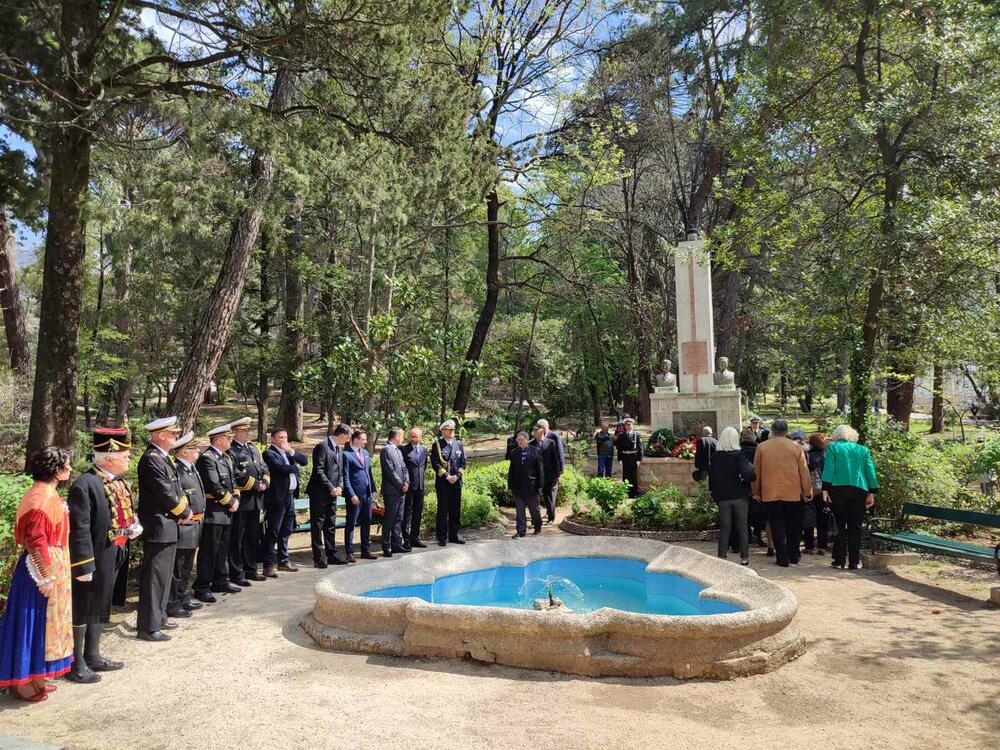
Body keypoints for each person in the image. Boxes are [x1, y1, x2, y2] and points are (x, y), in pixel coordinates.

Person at [0, 447, 74, 702]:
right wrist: (44, 575)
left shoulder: (45, 493)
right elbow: (36, 540)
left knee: (45, 624)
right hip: (40, 568)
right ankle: (21, 681)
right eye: (66, 465)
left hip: (53, 562)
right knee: (32, 622)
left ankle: (36, 675)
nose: (70, 469)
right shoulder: (41, 498)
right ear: (56, 469)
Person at [66, 428, 137, 684]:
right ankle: (76, 662)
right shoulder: (85, 484)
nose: (128, 460)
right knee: (84, 606)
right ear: (109, 458)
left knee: (100, 603)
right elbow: (80, 528)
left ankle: (93, 654)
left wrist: (132, 526)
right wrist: (84, 565)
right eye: (125, 457)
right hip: (94, 556)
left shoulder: (117, 481)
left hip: (114, 550)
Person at [136, 416, 192, 642]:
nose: (176, 436)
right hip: (158, 525)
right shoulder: (151, 459)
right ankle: (148, 627)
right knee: (154, 578)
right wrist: (183, 512)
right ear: (160, 435)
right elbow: (164, 492)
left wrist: (184, 510)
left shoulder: (163, 457)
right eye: (172, 433)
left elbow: (176, 488)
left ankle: (159, 618)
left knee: (164, 577)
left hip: (168, 524)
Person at [751, 419, 811, 567]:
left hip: (770, 492)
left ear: (772, 431)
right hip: (793, 492)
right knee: (793, 525)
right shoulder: (796, 447)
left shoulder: (762, 447)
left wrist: (755, 491)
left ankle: (782, 557)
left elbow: (756, 472)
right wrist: (807, 491)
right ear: (787, 431)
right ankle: (794, 556)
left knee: (777, 526)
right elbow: (804, 471)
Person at [193, 422, 242, 602]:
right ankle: (202, 586)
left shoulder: (225, 458)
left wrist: (236, 499)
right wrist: (230, 501)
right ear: (220, 440)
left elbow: (233, 482)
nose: (231, 441)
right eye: (228, 438)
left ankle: (220, 580)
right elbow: (214, 485)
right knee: (209, 551)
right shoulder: (207, 458)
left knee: (222, 549)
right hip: (214, 511)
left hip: (227, 511)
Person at [822, 424, 879, 570]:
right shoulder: (863, 450)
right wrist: (872, 492)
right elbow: (870, 472)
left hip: (838, 488)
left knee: (840, 524)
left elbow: (829, 469)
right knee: (856, 526)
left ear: (836, 435)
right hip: (859, 488)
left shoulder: (833, 447)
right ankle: (854, 561)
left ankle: (839, 560)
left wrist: (825, 490)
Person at [167, 432, 206, 619]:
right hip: (184, 525)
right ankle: (173, 602)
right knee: (178, 566)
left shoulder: (191, 469)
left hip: (195, 524)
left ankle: (182, 596)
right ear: (183, 452)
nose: (198, 450)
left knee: (187, 565)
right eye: (194, 448)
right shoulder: (178, 471)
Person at [261, 427, 308, 577]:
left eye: (286, 437)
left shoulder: (288, 452)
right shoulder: (269, 453)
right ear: (273, 439)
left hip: (290, 496)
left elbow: (305, 461)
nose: (284, 440)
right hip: (277, 498)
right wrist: (295, 467)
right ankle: (268, 565)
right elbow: (280, 468)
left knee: (286, 530)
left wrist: (292, 451)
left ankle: (283, 561)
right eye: (281, 437)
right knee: (273, 531)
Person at [227, 417, 269, 585]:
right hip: (242, 500)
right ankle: (237, 573)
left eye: (248, 430)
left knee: (252, 537)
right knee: (237, 538)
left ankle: (251, 569)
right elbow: (236, 473)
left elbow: (263, 467)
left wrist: (265, 482)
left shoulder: (253, 448)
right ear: (235, 432)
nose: (248, 433)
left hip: (256, 500)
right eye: (244, 431)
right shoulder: (231, 450)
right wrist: (256, 485)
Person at [305, 423, 351, 568]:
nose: (348, 440)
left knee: (330, 524)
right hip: (319, 492)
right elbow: (318, 470)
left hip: (333, 493)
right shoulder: (322, 447)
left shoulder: (340, 449)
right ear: (341, 435)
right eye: (347, 437)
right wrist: (331, 488)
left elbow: (340, 472)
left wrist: (339, 486)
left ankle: (331, 554)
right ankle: (318, 556)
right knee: (318, 525)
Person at [708, 427, 755, 565]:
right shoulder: (738, 455)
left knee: (725, 528)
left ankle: (722, 558)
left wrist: (714, 495)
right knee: (742, 527)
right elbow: (749, 474)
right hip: (739, 495)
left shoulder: (715, 457)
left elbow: (712, 479)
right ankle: (744, 558)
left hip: (722, 496)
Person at [343, 429, 376, 562]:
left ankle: (365, 549)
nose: (365, 442)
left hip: (367, 493)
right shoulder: (346, 454)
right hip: (355, 495)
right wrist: (351, 494)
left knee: (367, 521)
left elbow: (369, 473)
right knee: (351, 523)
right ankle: (349, 552)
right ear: (355, 440)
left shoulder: (365, 453)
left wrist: (373, 490)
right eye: (363, 439)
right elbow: (345, 477)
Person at [431, 419, 466, 546]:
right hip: (443, 484)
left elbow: (463, 462)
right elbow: (435, 463)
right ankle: (441, 537)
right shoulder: (437, 445)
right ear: (443, 431)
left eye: (453, 430)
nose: (452, 432)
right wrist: (447, 476)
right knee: (443, 510)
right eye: (449, 430)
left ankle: (454, 535)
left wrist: (457, 476)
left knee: (455, 510)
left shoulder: (458, 444)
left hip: (456, 483)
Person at [379, 427, 410, 557]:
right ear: (396, 436)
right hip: (392, 491)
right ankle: (386, 546)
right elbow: (389, 471)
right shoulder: (386, 450)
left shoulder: (398, 450)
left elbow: (404, 468)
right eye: (402, 436)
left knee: (398, 518)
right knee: (389, 518)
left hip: (401, 491)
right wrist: (400, 484)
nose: (403, 438)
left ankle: (396, 545)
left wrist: (406, 481)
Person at [507, 431, 544, 537]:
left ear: (527, 440)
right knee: (520, 510)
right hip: (518, 487)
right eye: (518, 440)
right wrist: (510, 486)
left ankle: (537, 526)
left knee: (534, 510)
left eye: (521, 439)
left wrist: (540, 485)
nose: (519, 442)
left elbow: (540, 470)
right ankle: (521, 531)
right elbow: (511, 471)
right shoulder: (514, 453)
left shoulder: (535, 451)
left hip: (532, 486)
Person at [802, 432, 829, 556]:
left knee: (809, 517)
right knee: (823, 519)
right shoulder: (826, 456)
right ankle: (822, 546)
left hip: (810, 490)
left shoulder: (807, 455)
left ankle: (809, 546)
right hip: (823, 490)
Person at [400, 427, 428, 549]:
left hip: (420, 486)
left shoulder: (424, 450)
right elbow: (402, 468)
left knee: (418, 513)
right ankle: (406, 540)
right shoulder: (403, 450)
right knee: (407, 514)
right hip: (409, 487)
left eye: (416, 436)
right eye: (412, 436)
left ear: (420, 437)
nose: (414, 438)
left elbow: (423, 467)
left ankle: (415, 538)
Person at [530, 423, 561, 524]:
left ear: (542, 431)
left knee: (548, 497)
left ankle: (551, 518)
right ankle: (536, 520)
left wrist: (557, 474)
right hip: (536, 475)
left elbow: (555, 459)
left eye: (536, 430)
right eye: (533, 430)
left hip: (549, 475)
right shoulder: (531, 444)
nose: (534, 432)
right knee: (534, 498)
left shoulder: (550, 443)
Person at [615, 418, 643, 498]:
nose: (628, 426)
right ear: (625, 426)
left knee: (633, 475)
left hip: (633, 457)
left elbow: (640, 448)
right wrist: (620, 458)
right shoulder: (621, 435)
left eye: (629, 425)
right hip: (625, 457)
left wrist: (639, 459)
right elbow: (619, 448)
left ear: (632, 425)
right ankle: (626, 492)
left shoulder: (636, 435)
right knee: (625, 475)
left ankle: (634, 493)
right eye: (626, 425)